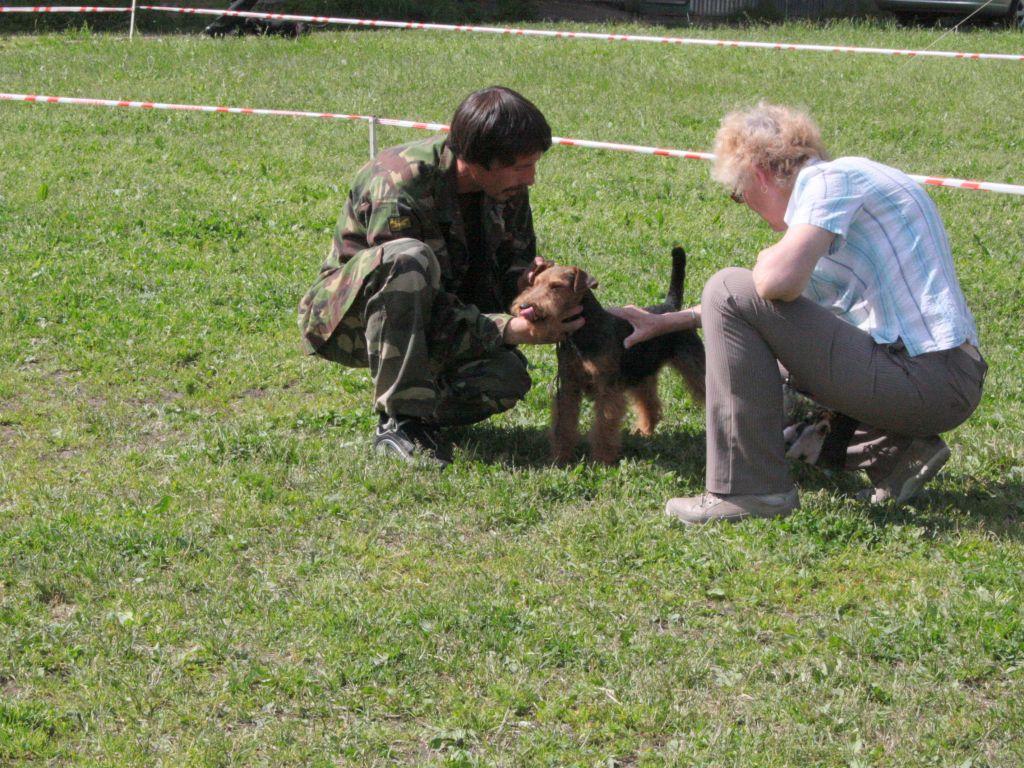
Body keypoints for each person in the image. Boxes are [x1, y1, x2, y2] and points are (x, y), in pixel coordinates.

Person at [611, 102, 987, 524]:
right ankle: (894, 453)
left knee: (727, 286)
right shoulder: (847, 193)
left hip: (925, 378)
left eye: (738, 195)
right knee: (752, 354)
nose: (746, 205)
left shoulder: (828, 181)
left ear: (757, 173)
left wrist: (765, 261)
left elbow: (768, 285)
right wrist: (668, 321)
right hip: (938, 378)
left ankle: (751, 489)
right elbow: (767, 310)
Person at [297, 86, 583, 467]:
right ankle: (400, 419)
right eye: (520, 166)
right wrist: (509, 330)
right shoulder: (399, 183)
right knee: (408, 258)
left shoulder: (506, 189)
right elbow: (409, 297)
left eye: (533, 165)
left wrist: (524, 288)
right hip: (348, 320)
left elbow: (506, 270)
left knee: (506, 377)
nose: (530, 178)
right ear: (477, 160)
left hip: (438, 316)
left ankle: (423, 411)